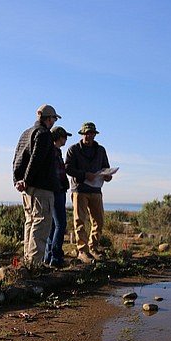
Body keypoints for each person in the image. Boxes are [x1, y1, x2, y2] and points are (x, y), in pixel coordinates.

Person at [12, 104, 60, 267]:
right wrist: (26, 179)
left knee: (30, 223)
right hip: (41, 188)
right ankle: (34, 266)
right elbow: (36, 159)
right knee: (41, 225)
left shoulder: (26, 133)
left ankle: (28, 262)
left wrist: (18, 180)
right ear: (48, 118)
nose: (54, 121)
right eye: (54, 118)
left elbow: (16, 158)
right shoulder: (44, 134)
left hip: (27, 189)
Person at [65, 122, 112, 263]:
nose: (89, 136)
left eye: (91, 133)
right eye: (86, 133)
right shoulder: (73, 149)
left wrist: (108, 176)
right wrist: (85, 175)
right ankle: (82, 251)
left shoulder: (101, 150)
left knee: (99, 220)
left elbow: (106, 168)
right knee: (80, 221)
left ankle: (93, 247)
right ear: (82, 134)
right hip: (79, 189)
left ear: (94, 134)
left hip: (96, 190)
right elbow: (68, 168)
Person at [43, 126, 72, 268]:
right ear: (59, 137)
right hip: (57, 191)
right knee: (60, 224)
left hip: (57, 190)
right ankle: (55, 257)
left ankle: (48, 257)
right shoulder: (53, 152)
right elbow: (56, 174)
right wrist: (60, 186)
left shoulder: (55, 151)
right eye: (64, 137)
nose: (65, 139)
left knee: (54, 225)